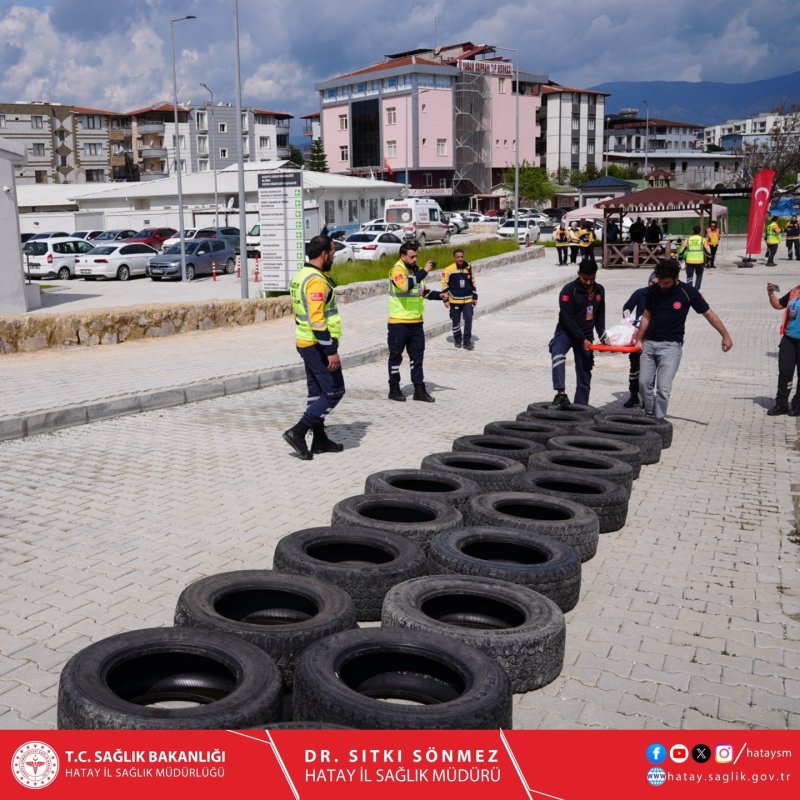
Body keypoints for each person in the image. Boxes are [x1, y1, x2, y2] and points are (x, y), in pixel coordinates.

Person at [634, 259, 733, 420]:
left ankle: (658, 420)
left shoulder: (688, 292)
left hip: (671, 347)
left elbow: (708, 314)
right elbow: (646, 316)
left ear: (675, 278)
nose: (662, 285)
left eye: (666, 282)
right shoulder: (653, 291)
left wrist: (725, 335)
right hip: (649, 344)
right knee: (644, 384)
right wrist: (639, 339)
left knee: (663, 388)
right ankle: (650, 414)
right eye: (660, 281)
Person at [283, 235, 345, 460]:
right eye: (333, 253)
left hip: (306, 341)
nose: (334, 257)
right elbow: (317, 319)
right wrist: (331, 351)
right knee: (334, 391)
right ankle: (298, 432)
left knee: (316, 393)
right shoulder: (316, 280)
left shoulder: (302, 275)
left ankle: (319, 439)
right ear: (324, 254)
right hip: (317, 344)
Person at [387, 241, 447, 402]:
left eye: (416, 256)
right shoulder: (397, 270)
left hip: (416, 322)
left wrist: (439, 295)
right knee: (396, 357)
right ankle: (394, 389)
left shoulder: (416, 271)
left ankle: (419, 390)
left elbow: (422, 292)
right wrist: (425, 272)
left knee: (417, 357)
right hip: (398, 322)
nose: (415, 259)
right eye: (412, 257)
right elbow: (405, 287)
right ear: (403, 256)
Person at [549, 260, 606, 408]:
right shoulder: (568, 290)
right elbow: (567, 318)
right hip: (566, 333)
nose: (588, 282)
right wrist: (581, 339)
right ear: (578, 274)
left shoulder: (600, 290)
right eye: (584, 278)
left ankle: (581, 407)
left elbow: (600, 316)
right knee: (557, 353)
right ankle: (560, 394)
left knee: (584, 373)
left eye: (591, 278)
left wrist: (603, 337)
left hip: (587, 336)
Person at [621, 272, 658, 407]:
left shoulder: (662, 296)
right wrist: (628, 320)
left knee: (650, 369)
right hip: (638, 336)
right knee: (634, 366)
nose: (654, 286)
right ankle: (633, 395)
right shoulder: (640, 293)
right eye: (652, 283)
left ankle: (647, 398)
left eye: (657, 283)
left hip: (653, 336)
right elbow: (627, 307)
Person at [765, 281, 800, 416]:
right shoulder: (795, 291)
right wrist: (771, 294)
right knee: (785, 371)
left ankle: (798, 404)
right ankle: (781, 404)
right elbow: (779, 304)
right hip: (789, 338)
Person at [441, 249, 478, 350]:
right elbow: (444, 285)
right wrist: (445, 300)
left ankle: (467, 341)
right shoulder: (448, 270)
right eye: (458, 257)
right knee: (456, 320)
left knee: (469, 319)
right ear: (454, 258)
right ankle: (457, 339)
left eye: (462, 256)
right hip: (454, 300)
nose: (460, 259)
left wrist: (475, 297)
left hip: (468, 300)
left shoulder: (468, 268)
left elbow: (473, 282)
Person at [679, 225, 711, 290]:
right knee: (699, 275)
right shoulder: (702, 239)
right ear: (700, 231)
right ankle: (696, 289)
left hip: (690, 261)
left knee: (689, 276)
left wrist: (680, 257)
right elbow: (708, 250)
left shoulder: (688, 239)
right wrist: (709, 257)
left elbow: (682, 249)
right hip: (700, 261)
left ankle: (690, 290)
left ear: (692, 231)